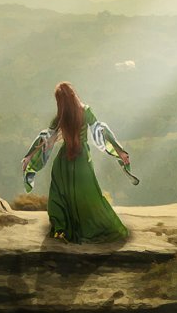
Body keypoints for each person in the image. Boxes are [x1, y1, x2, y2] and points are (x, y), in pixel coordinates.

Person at [20, 81, 138, 243]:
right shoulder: (84, 111)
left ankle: (60, 229)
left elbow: (47, 140)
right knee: (88, 194)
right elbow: (101, 131)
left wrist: (29, 157)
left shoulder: (61, 117)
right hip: (82, 160)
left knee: (59, 194)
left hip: (64, 162)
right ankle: (74, 228)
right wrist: (119, 151)